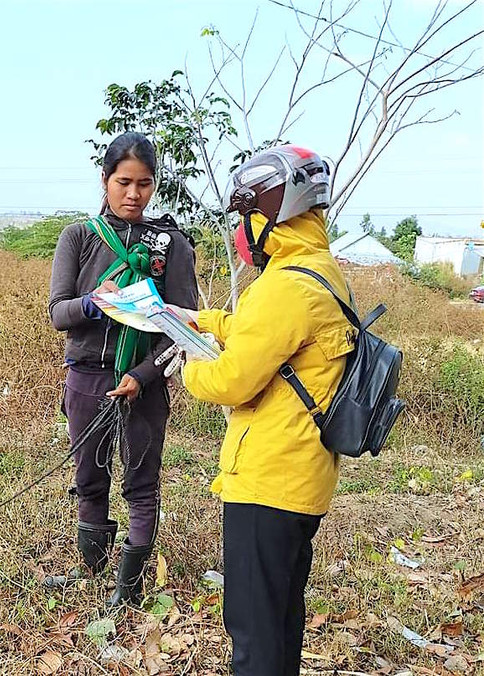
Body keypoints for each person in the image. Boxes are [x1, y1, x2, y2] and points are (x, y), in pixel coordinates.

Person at [181, 145, 354, 675]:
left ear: (270, 215)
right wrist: (205, 320)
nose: (242, 231)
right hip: (303, 476)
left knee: (253, 631)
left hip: (268, 480)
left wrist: (189, 363)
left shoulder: (281, 286)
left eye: (246, 217)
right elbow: (270, 336)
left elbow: (232, 380)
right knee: (280, 617)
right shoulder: (318, 270)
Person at [47, 131, 198, 607]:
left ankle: (128, 588)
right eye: (124, 182)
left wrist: (144, 375)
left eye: (144, 184)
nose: (134, 194)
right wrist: (93, 302)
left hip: (143, 384)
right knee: (89, 477)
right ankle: (90, 568)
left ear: (155, 185)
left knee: (141, 482)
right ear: (105, 180)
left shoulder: (171, 246)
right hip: (87, 377)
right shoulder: (79, 237)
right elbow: (58, 313)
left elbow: (183, 327)